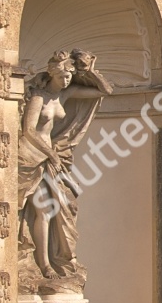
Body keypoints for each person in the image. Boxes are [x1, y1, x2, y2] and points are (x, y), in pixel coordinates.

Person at [18, 49, 112, 286]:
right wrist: (50, 154)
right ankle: (43, 264)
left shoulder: (64, 95)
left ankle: (50, 261)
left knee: (60, 207)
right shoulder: (39, 97)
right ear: (52, 74)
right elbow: (28, 131)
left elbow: (104, 91)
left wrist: (89, 71)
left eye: (70, 75)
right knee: (43, 210)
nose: (67, 80)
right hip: (32, 158)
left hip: (51, 158)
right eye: (63, 76)